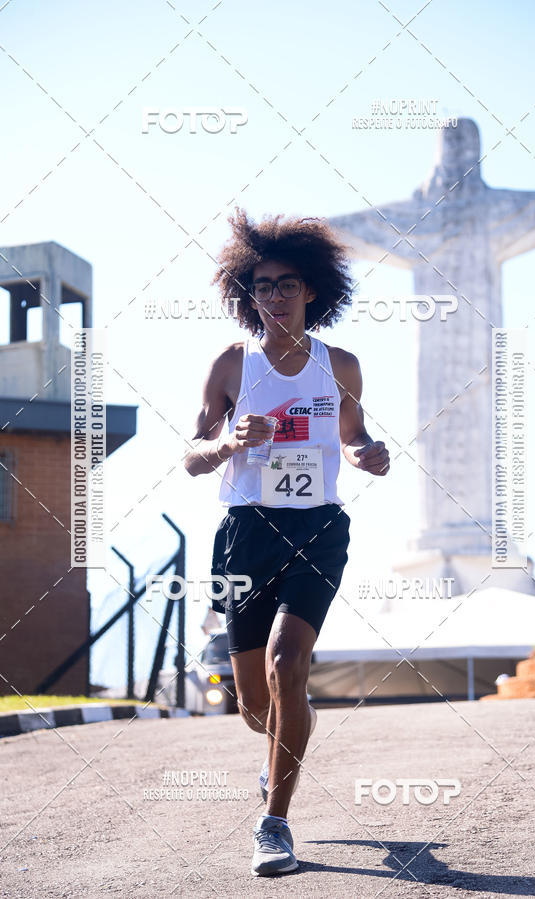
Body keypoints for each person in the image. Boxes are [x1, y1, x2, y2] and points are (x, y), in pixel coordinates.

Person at [184, 208, 390, 877]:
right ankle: (278, 749)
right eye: (260, 286)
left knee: (287, 663)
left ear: (312, 291)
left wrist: (367, 454)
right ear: (248, 295)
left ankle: (274, 822)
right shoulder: (230, 364)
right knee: (255, 706)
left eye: (285, 284)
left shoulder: (341, 366)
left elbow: (352, 436)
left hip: (318, 529)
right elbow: (192, 454)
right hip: (246, 532)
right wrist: (227, 443)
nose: (271, 296)